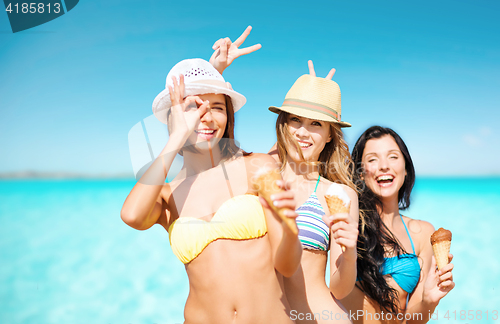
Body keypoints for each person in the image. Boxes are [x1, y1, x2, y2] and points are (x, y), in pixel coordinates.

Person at [121, 58, 302, 324]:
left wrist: (289, 230)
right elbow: (132, 216)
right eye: (193, 107)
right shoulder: (166, 194)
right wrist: (176, 137)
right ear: (174, 118)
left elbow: (287, 266)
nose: (206, 116)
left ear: (228, 115)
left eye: (217, 107)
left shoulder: (256, 166)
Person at [211, 30, 359, 324]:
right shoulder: (257, 173)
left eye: (316, 123)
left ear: (331, 135)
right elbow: (207, 152)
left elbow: (339, 289)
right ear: (283, 123)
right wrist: (215, 72)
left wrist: (351, 252)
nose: (302, 132)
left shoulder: (340, 195)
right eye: (295, 120)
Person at [340, 126, 455, 323]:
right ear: (359, 173)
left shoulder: (423, 233)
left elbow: (412, 320)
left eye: (393, 157)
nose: (384, 166)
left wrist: (429, 301)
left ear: (406, 168)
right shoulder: (348, 225)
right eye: (372, 159)